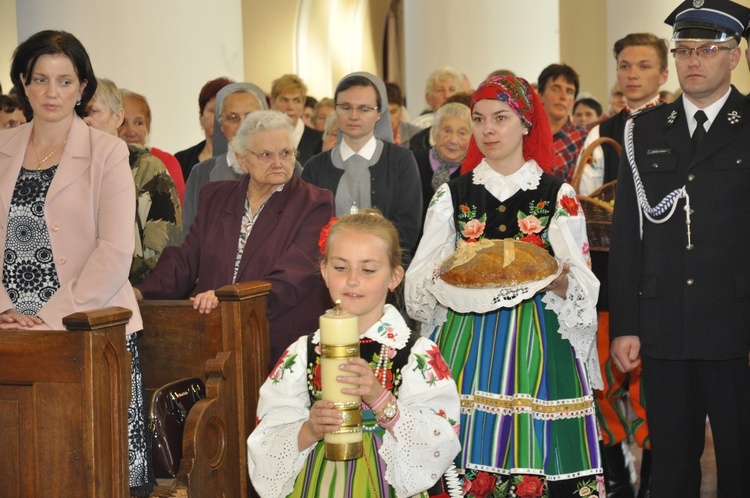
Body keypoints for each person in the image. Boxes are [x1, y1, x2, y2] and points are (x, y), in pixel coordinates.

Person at [406, 75, 604, 496]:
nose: (488, 129)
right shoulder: (452, 195)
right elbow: (420, 280)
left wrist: (556, 278)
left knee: (531, 450)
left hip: (538, 340)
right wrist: (450, 275)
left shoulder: (557, 194)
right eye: (479, 119)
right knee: (460, 452)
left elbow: (583, 283)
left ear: (526, 123)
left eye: (501, 118)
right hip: (465, 337)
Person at [0, 30, 153, 495]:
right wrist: (6, 309)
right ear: (23, 83)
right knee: (22, 464)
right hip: (8, 328)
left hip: (88, 326)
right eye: (41, 79)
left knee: (92, 467)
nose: (52, 93)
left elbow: (114, 250)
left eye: (65, 81)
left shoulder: (108, 152)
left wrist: (49, 316)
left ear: (83, 87)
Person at [609, 1, 750, 496]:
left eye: (708, 50)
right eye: (685, 50)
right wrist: (625, 324)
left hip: (737, 330)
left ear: (734, 56)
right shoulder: (643, 130)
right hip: (665, 327)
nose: (694, 61)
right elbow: (628, 235)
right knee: (669, 466)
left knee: (742, 464)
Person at [248, 210, 461, 497]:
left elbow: (441, 441)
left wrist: (382, 400)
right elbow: (267, 438)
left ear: (394, 276)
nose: (352, 280)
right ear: (324, 272)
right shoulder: (302, 353)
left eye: (368, 270)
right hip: (318, 482)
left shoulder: (415, 354)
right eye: (340, 268)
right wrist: (310, 429)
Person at [136, 110, 334, 364]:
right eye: (265, 154)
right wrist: (142, 291)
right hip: (215, 336)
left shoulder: (314, 202)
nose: (278, 163)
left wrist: (228, 297)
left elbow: (294, 275)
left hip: (280, 342)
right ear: (242, 160)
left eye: (286, 153)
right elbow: (187, 258)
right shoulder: (216, 197)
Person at [576, 32, 669, 498]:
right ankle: (615, 475)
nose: (632, 75)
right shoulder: (601, 133)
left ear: (662, 73)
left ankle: (654, 477)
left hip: (666, 280)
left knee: (657, 388)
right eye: (625, 66)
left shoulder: (678, 126)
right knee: (604, 382)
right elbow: (584, 204)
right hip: (609, 276)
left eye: (643, 66)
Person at [302, 72, 422, 262]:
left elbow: (409, 226)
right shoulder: (315, 167)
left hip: (386, 268)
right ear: (336, 110)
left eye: (364, 109)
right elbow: (306, 227)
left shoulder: (402, 161)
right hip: (327, 270)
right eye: (346, 107)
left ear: (378, 114)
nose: (354, 116)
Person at [83, 78, 183, 285]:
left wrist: (139, 293)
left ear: (117, 117)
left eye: (93, 111)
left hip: (135, 295)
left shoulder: (147, 168)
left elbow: (166, 251)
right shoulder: (64, 170)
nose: (85, 121)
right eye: (79, 113)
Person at [181, 82, 268, 235]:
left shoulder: (288, 168)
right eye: (232, 117)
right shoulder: (200, 173)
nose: (242, 125)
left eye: (250, 117)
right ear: (221, 125)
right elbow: (189, 235)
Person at [118, 89, 186, 203]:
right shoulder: (102, 163)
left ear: (148, 127)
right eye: (122, 123)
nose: (131, 131)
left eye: (138, 123)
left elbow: (180, 211)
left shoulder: (166, 162)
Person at [413, 102, 471, 234]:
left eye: (462, 133)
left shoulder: (475, 171)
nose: (453, 140)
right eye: (447, 131)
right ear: (434, 133)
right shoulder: (412, 162)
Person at [174, 76, 234, 180]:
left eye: (224, 111)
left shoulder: (247, 161)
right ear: (201, 117)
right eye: (212, 111)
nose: (218, 117)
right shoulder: (181, 161)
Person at [538, 63, 588, 181]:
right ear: (540, 96)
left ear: (573, 102)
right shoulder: (525, 134)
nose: (563, 96)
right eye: (555, 89)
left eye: (569, 91)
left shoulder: (584, 139)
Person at [270, 74, 322, 165]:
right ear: (273, 103)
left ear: (303, 104)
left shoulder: (319, 140)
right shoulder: (263, 137)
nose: (290, 107)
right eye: (284, 100)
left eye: (297, 101)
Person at [385, 81, 420, 146]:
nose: (388, 119)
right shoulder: (366, 136)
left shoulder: (417, 135)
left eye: (393, 112)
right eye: (384, 113)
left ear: (401, 110)